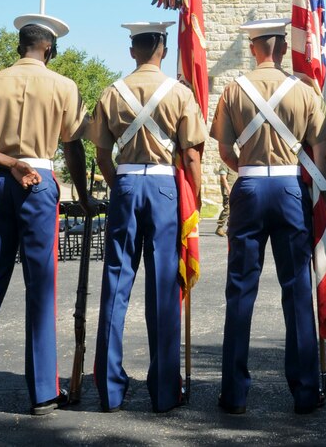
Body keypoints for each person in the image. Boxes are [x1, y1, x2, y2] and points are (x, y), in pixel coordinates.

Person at [0, 14, 95, 417]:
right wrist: (82, 196)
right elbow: (73, 145)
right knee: (41, 288)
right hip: (41, 181)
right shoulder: (64, 86)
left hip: (1, 181)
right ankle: (42, 395)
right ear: (48, 47)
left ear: (21, 45)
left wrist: (8, 162)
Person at [210, 18, 326, 415]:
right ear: (280, 48)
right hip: (290, 189)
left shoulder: (232, 89)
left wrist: (246, 166)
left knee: (240, 289)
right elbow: (318, 151)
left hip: (248, 187)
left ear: (253, 48)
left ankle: (234, 395)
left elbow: (225, 150)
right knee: (296, 288)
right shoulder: (305, 91)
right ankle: (306, 392)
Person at [90, 22, 206, 413]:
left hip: (125, 183)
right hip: (163, 188)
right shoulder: (180, 93)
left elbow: (101, 154)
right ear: (163, 50)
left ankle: (108, 389)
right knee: (162, 287)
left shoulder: (112, 92)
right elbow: (190, 153)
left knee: (115, 282)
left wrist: (119, 182)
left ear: (132, 51)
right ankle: (164, 390)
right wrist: (197, 192)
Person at [215, 162, 236, 236]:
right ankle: (219, 228)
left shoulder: (234, 164)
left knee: (234, 210)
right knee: (227, 209)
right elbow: (223, 178)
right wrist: (228, 189)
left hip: (235, 190)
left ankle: (229, 228)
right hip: (228, 192)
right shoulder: (224, 165)